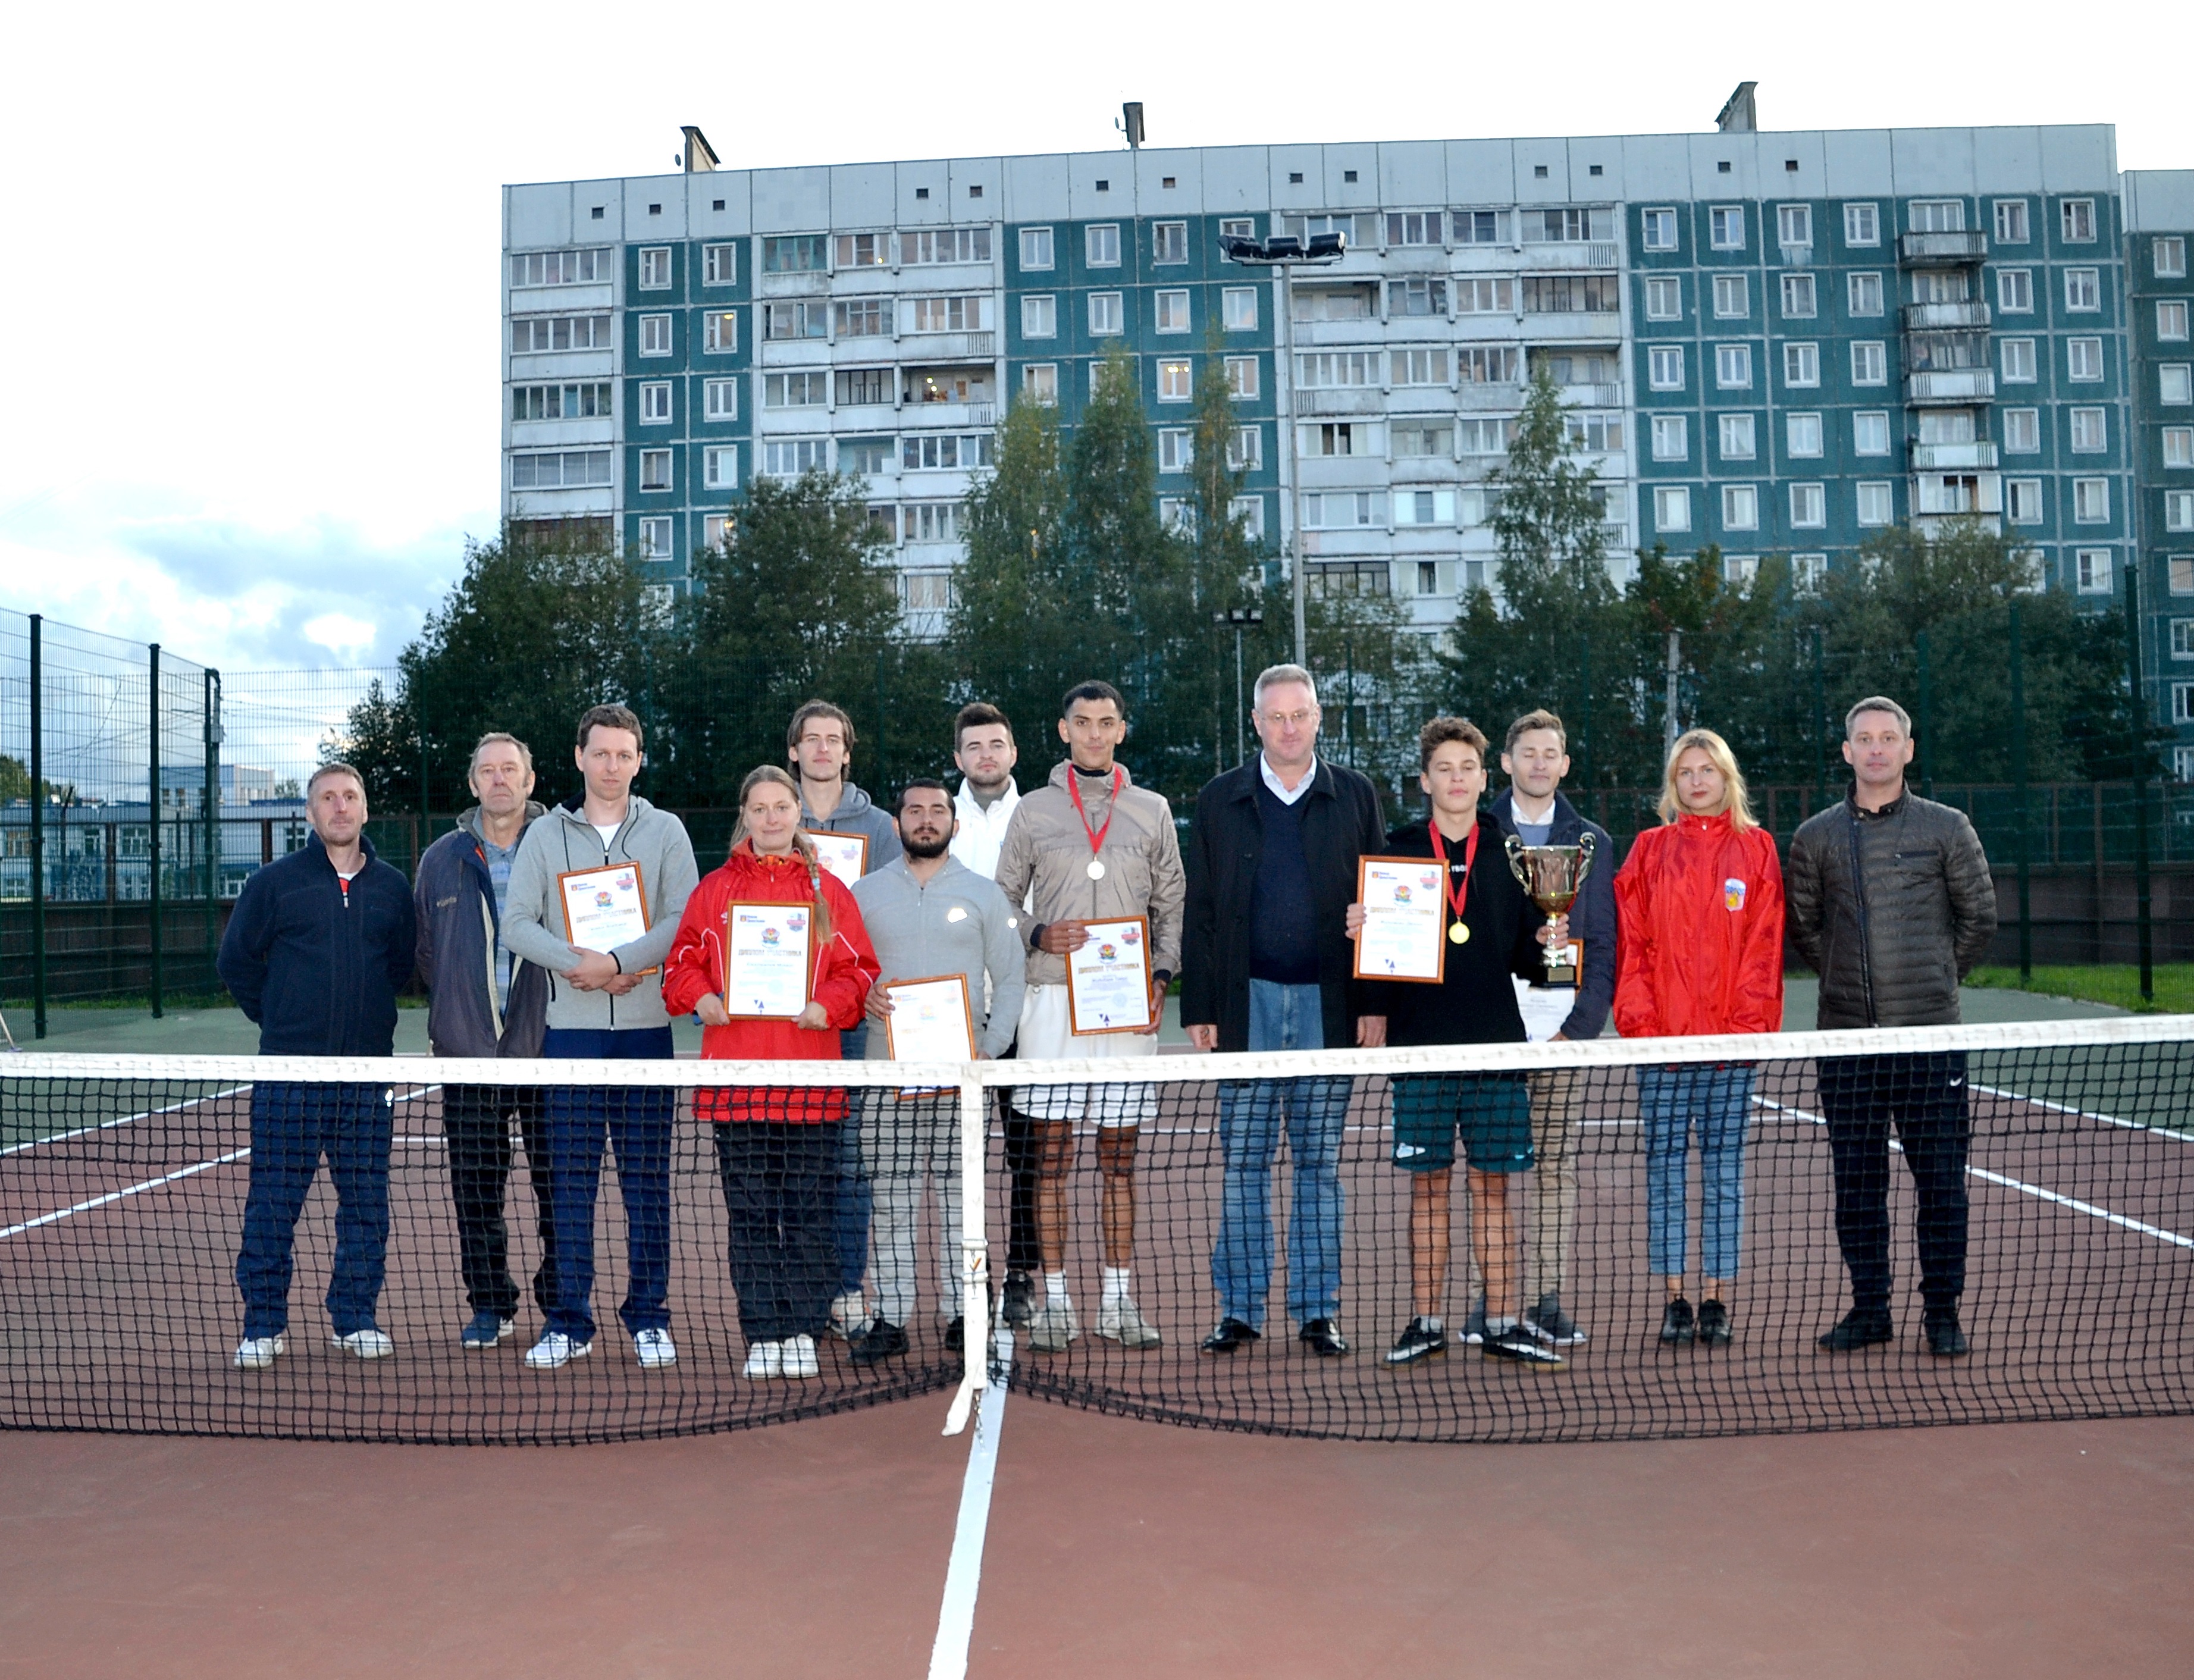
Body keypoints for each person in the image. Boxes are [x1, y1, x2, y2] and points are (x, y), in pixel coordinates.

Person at [1181, 664, 1384, 1359]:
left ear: (1318, 718)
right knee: (1243, 1162)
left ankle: (1316, 1310)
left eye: (1300, 714)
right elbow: (1201, 909)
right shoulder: (1217, 799)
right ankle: (1239, 1310)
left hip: (1330, 1008)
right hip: (1246, 1008)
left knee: (1319, 1165)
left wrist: (1373, 1003)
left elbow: (1384, 907)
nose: (1288, 727)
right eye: (1275, 716)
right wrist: (1202, 1005)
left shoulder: (1356, 795)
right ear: (1257, 723)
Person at [1350, 718, 1566, 1369]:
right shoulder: (1398, 852)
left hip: (1495, 1050)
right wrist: (1358, 931)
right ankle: (1426, 1321)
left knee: (1495, 1186)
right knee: (1428, 1188)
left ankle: (1501, 1318)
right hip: (1421, 1048)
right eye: (1443, 768)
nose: (1456, 779)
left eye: (1467, 767)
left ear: (1483, 775)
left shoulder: (1509, 853)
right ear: (1425, 780)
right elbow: (1376, 961)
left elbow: (1536, 958)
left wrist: (1555, 949)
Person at [1789, 697, 1998, 1359]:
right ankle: (1870, 1309)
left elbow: (1979, 920)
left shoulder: (1948, 828)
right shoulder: (1814, 837)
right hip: (1847, 1045)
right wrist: (1853, 990)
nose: (1875, 749)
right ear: (1846, 751)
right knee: (1857, 1186)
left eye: (1888, 738)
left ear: (1909, 749)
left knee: (1940, 1183)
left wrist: (1933, 978)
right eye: (1863, 739)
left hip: (1930, 1044)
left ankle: (1942, 1313)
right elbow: (1807, 929)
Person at [662, 767, 878, 1380]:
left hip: (810, 1083)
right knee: (752, 1214)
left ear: (796, 814)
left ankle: (804, 1329)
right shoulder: (714, 891)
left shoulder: (830, 891)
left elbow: (860, 972)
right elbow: (679, 967)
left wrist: (826, 1008)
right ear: (745, 815)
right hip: (739, 1085)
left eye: (781, 807)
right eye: (759, 808)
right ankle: (763, 1331)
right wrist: (701, 996)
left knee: (809, 1213)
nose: (771, 818)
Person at [500, 704, 698, 1372]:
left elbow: (684, 918)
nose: (612, 767)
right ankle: (568, 1320)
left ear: (638, 760)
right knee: (570, 1185)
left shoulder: (666, 831)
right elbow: (516, 924)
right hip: (571, 1039)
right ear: (580, 757)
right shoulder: (544, 835)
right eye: (601, 754)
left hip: (646, 1034)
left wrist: (617, 963)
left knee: (647, 1183)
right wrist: (575, 961)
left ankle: (649, 1317)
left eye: (624, 755)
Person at [995, 680, 1185, 1353]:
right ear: (1063, 729)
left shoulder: (1153, 809)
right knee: (1049, 1159)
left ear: (1121, 730)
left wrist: (1162, 974)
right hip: (1052, 1002)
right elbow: (1000, 901)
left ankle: (1118, 1300)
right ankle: (1055, 1302)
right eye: (1083, 722)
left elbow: (1173, 902)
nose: (1095, 733)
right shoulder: (1032, 812)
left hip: (1129, 1009)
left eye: (1107, 722)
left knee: (1119, 1159)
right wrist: (1038, 932)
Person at [219, 762, 415, 1370]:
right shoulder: (274, 884)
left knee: (365, 1204)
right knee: (274, 1202)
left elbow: (401, 967)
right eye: (326, 798)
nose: (338, 807)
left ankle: (354, 1318)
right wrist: (280, 1020)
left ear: (364, 808)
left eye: (349, 796)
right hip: (289, 1075)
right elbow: (237, 963)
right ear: (310, 813)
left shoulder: (390, 887)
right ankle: (264, 1324)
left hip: (365, 1078)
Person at [1613, 729, 1785, 1347]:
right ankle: (1674, 1300)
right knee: (1664, 1174)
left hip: (1728, 1053)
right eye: (1685, 771)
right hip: (1661, 1051)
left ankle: (1716, 1300)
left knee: (1722, 1174)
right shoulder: (1647, 850)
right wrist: (1643, 1028)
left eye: (1707, 769)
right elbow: (1631, 946)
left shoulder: (1758, 850)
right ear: (1673, 783)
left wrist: (1742, 1032)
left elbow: (1764, 948)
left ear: (1726, 777)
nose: (1696, 780)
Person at [848, 779, 1025, 1363]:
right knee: (892, 1200)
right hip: (886, 1074)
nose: (926, 820)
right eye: (914, 811)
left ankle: (962, 1310)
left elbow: (1012, 975)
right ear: (896, 822)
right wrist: (864, 995)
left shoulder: (984, 894)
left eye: (937, 811)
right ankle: (891, 1315)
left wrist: (990, 1052)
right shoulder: (863, 893)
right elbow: (845, 970)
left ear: (952, 820)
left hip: (961, 1078)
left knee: (959, 1200)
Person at [1477, 709, 1617, 1350]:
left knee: (1555, 1167)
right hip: (1492, 1032)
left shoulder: (1592, 842)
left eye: (1550, 753)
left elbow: (1605, 945)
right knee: (1491, 1171)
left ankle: (1545, 1296)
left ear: (1564, 764)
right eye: (1526, 752)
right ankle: (1495, 1299)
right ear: (1505, 763)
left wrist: (1580, 1027)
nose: (1538, 762)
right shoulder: (1476, 831)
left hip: (1560, 1029)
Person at [413, 732, 555, 1350]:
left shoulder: (562, 846)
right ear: (472, 784)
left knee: (560, 1190)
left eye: (510, 769)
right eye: (487, 771)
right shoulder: (440, 858)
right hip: (469, 1054)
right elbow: (425, 951)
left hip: (551, 1051)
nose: (499, 779)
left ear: (530, 779)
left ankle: (560, 1304)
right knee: (475, 1192)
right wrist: (455, 1015)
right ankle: (490, 1305)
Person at [785, 698, 900, 1340]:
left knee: (850, 1158)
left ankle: (848, 1290)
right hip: (788, 1018)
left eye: (835, 739)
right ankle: (805, 1286)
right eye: (812, 740)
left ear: (847, 751)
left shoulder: (879, 826)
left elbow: (884, 918)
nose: (823, 749)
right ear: (795, 751)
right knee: (797, 1155)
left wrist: (876, 983)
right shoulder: (773, 812)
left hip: (850, 1015)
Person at [947, 702, 1042, 1329]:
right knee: (959, 1158)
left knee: (1025, 1154)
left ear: (1013, 753)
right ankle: (967, 1283)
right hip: (952, 1014)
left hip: (1025, 1006)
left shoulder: (1036, 815)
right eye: (974, 746)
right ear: (959, 758)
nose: (986, 755)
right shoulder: (935, 817)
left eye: (997, 744)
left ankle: (1020, 1275)